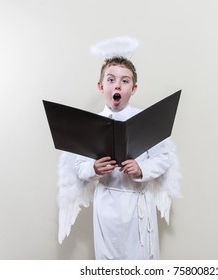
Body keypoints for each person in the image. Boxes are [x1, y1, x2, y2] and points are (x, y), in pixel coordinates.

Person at [57, 56, 181, 260]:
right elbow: (79, 165)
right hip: (107, 207)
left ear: (133, 89)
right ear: (101, 86)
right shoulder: (90, 125)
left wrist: (141, 168)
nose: (118, 85)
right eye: (111, 79)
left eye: (125, 81)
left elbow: (163, 158)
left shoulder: (147, 120)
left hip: (139, 205)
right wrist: (94, 168)